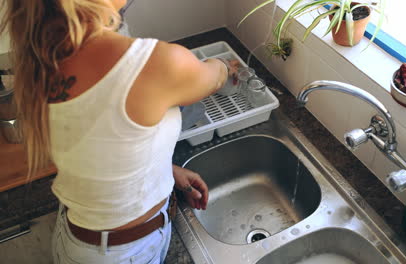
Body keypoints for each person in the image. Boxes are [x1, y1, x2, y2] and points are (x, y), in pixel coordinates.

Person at [0, 0, 239, 263]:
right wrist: (224, 66)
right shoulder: (158, 63)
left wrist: (165, 170)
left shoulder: (43, 54)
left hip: (79, 237)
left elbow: (100, 141)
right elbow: (213, 78)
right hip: (123, 253)